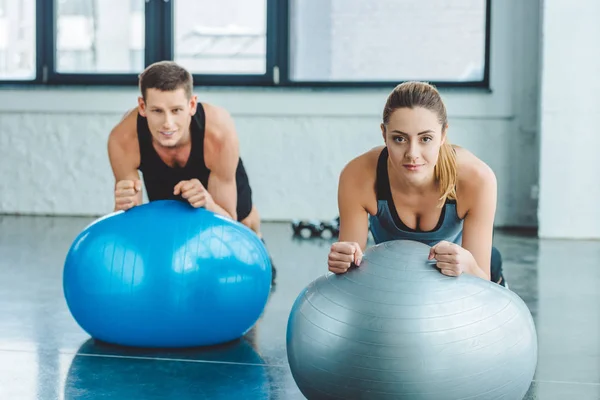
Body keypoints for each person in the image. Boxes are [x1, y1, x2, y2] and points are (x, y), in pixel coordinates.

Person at [107, 60, 276, 283]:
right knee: (170, 228)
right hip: (160, 171)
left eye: (176, 110)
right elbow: (135, 226)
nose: (168, 123)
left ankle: (259, 247)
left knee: (246, 224)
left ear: (192, 105)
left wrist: (207, 202)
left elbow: (229, 226)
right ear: (142, 107)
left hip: (213, 170)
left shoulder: (218, 134)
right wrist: (122, 209)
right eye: (157, 111)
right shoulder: (123, 140)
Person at [327, 81, 506, 287]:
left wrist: (468, 265)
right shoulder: (358, 176)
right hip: (397, 273)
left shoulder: (476, 179)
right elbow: (351, 275)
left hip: (457, 276)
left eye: (426, 139)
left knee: (489, 263)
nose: (412, 154)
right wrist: (343, 260)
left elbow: (482, 283)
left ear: (443, 135)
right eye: (399, 139)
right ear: (384, 134)